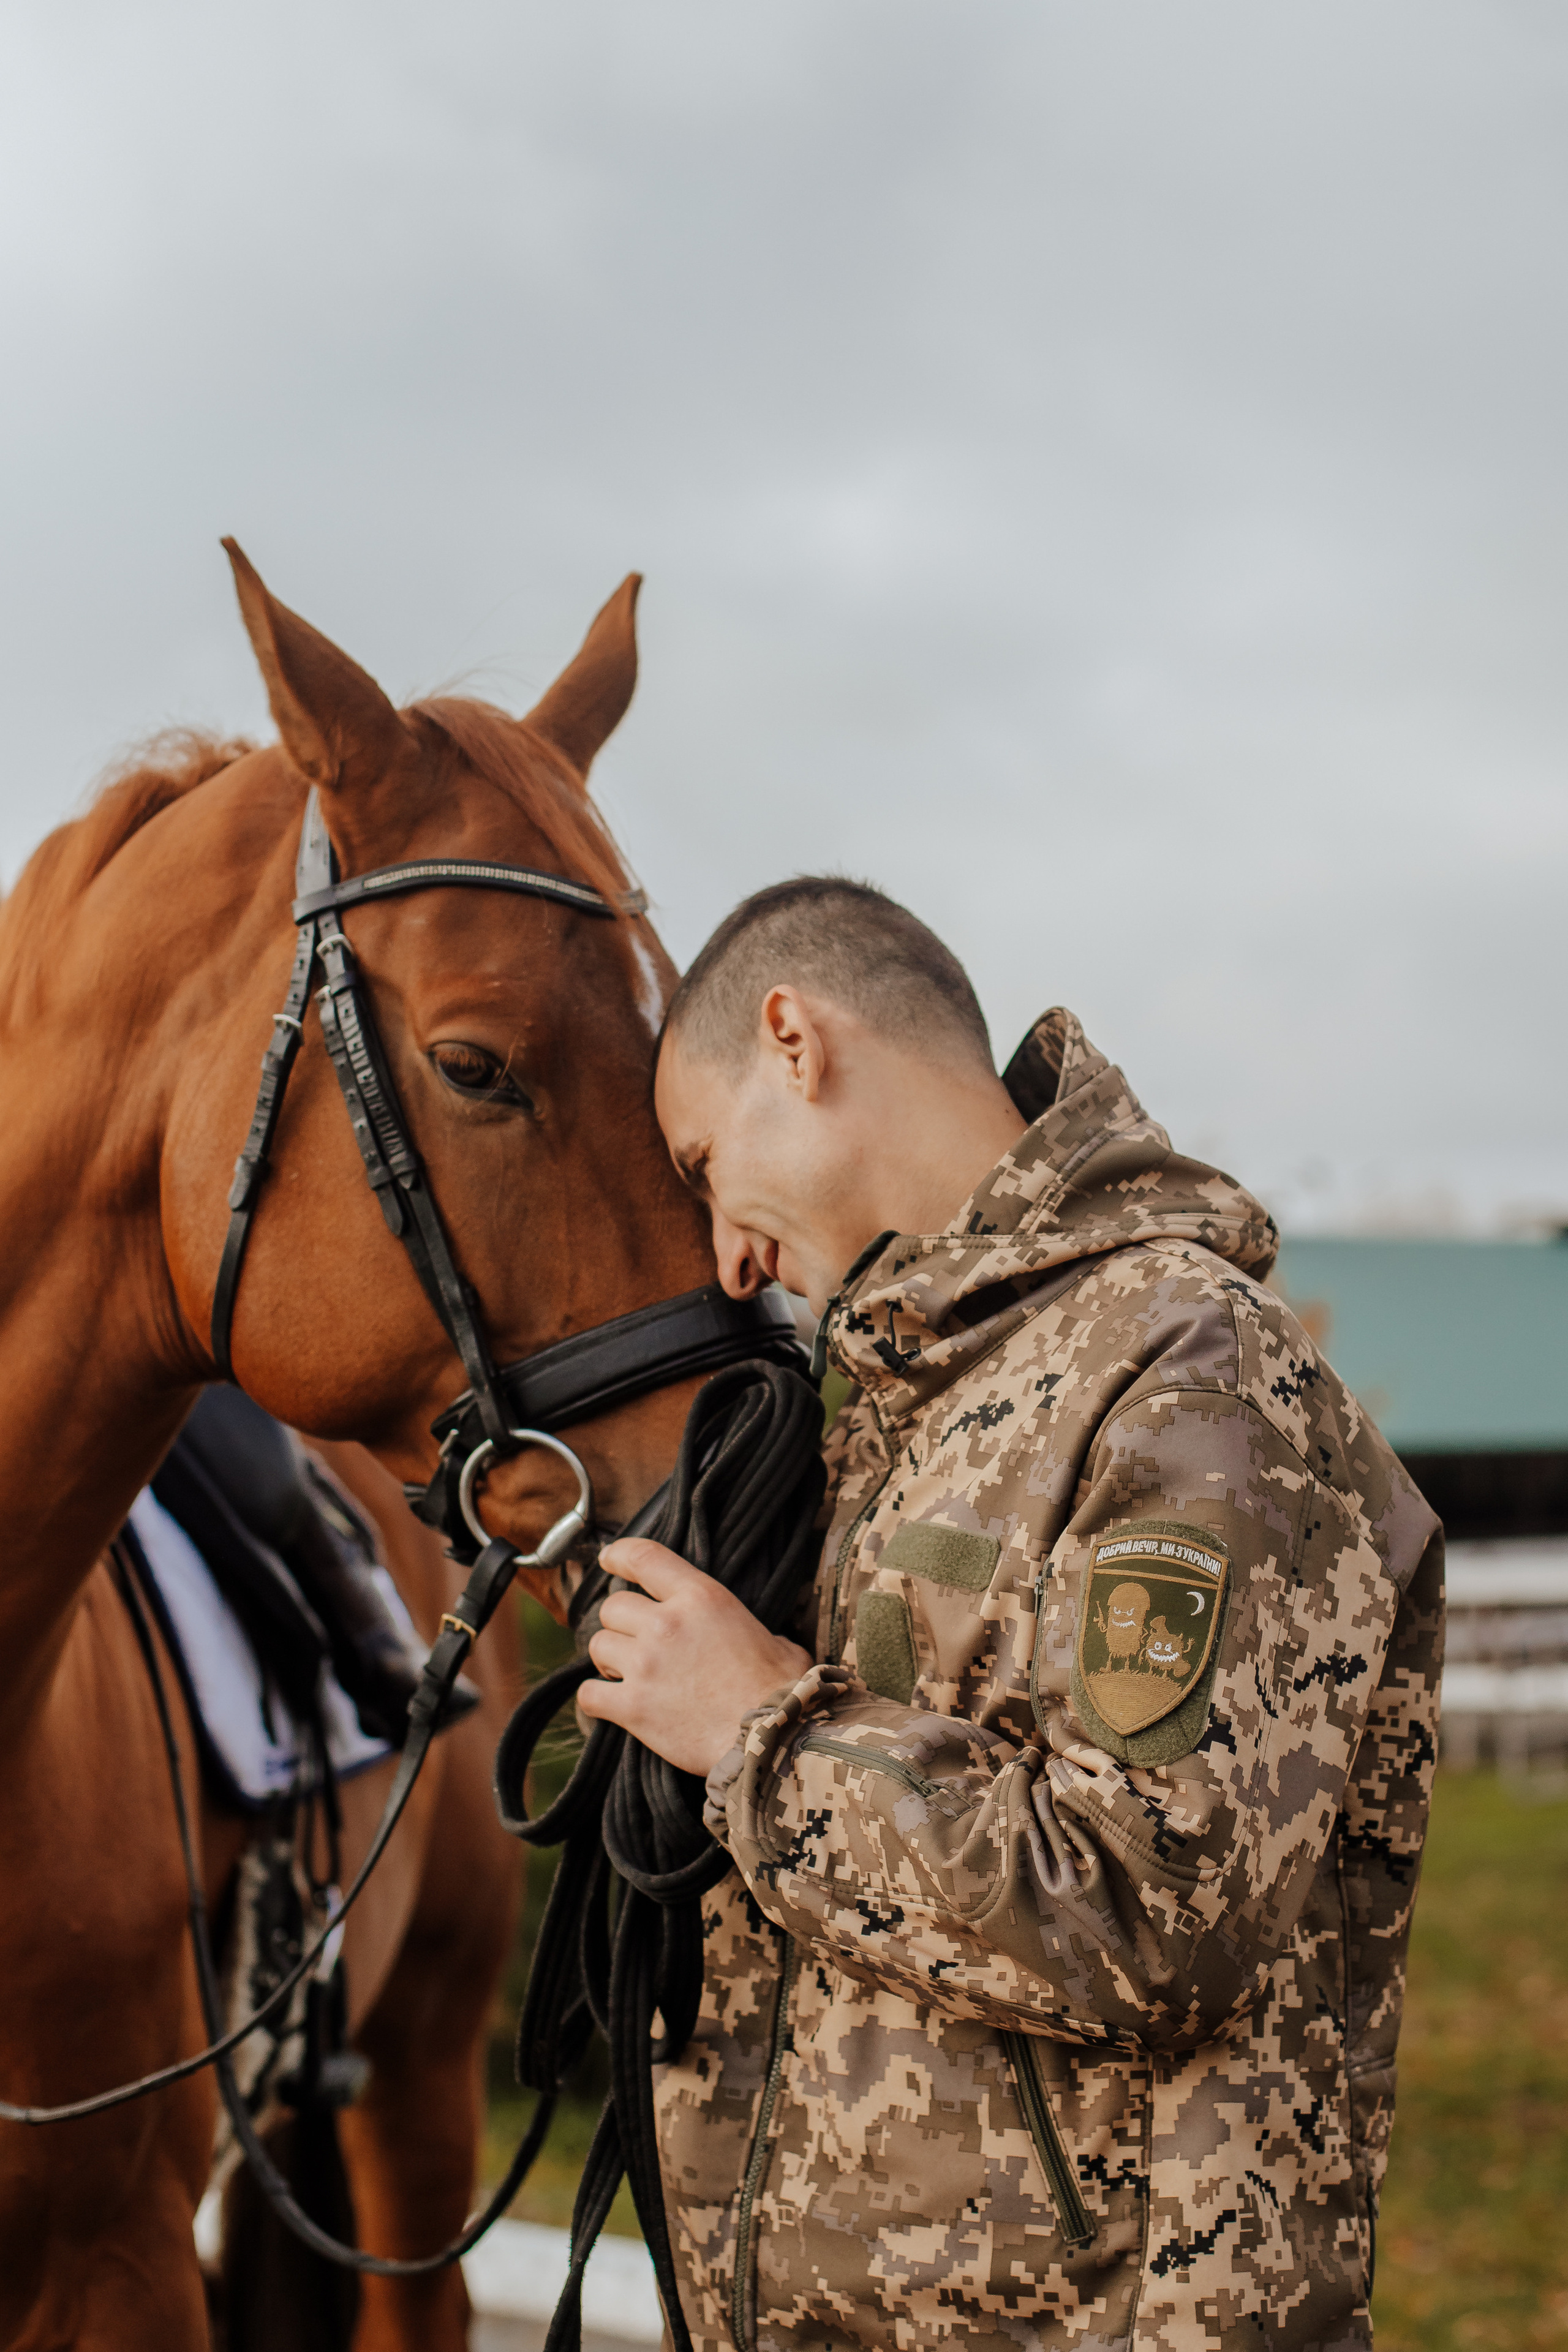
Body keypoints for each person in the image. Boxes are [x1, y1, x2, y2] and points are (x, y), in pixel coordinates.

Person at [579, 876, 1443, 2352]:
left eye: (705, 1160)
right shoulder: (903, 1409)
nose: (725, 1255)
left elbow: (1148, 1905)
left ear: (792, 1039)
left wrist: (755, 1733)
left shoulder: (1184, 1366)